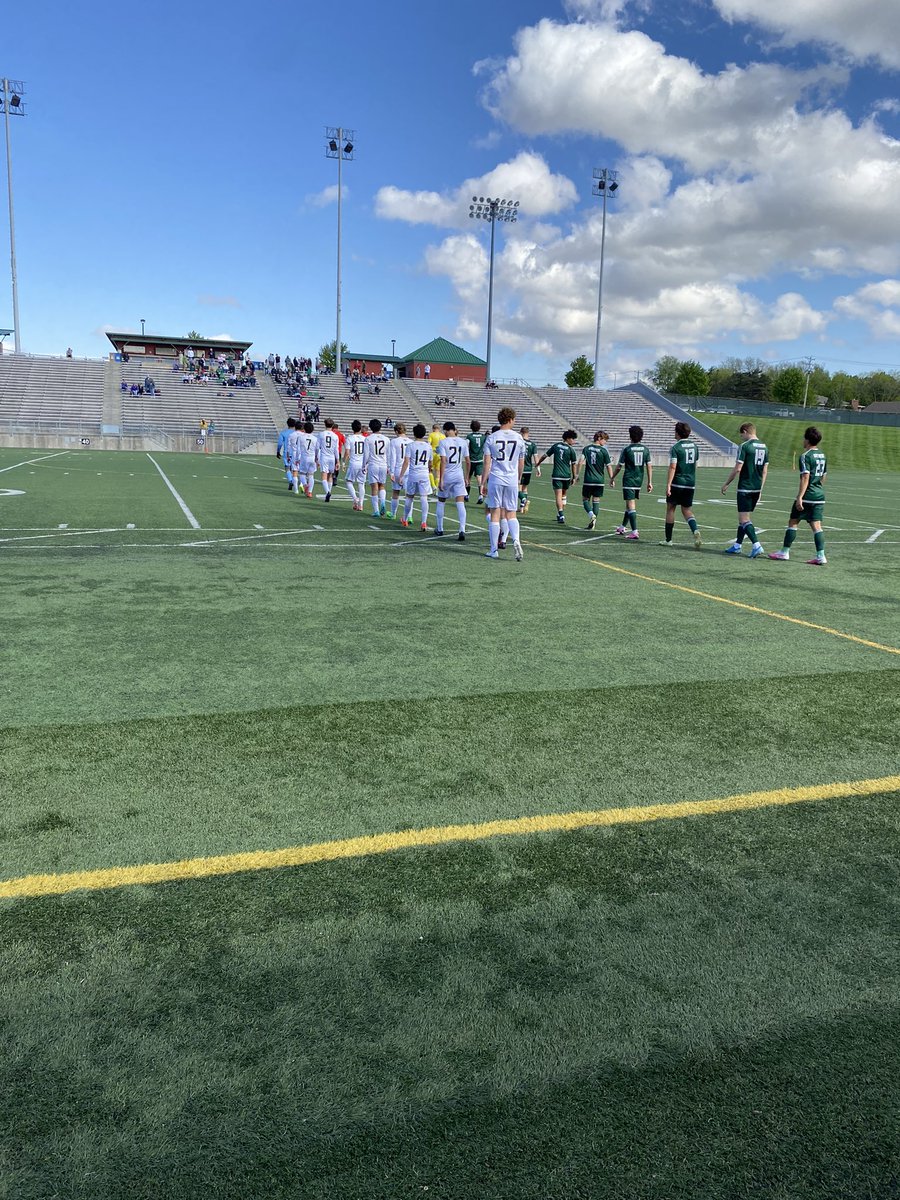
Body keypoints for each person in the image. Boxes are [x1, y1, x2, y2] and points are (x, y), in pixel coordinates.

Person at [769, 427, 828, 565]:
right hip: (819, 495)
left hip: (808, 495)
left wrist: (800, 496)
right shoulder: (822, 455)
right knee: (816, 526)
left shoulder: (805, 456)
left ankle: (784, 552)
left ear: (807, 440)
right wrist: (817, 486)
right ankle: (821, 555)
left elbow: (805, 477)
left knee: (793, 521)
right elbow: (824, 476)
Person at [482, 407, 525, 561]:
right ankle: (516, 541)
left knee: (495, 513)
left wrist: (483, 482)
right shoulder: (519, 438)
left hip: (496, 477)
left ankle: (494, 549)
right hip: (512, 478)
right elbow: (521, 462)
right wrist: (518, 478)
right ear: (511, 419)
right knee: (511, 513)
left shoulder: (491, 438)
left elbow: (487, 462)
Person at [721, 422, 768, 558]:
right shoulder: (765, 447)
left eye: (741, 434)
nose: (741, 437)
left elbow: (738, 468)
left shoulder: (745, 446)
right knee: (743, 518)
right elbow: (765, 471)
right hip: (756, 487)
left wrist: (727, 483)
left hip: (745, 486)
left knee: (744, 519)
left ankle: (756, 545)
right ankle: (737, 545)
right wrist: (760, 489)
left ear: (746, 431)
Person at [661, 421, 702, 548]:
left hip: (678, 482)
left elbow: (673, 467)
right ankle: (695, 530)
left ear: (678, 433)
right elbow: (695, 464)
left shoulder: (676, 448)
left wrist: (668, 484)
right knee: (687, 510)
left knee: (671, 509)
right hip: (690, 483)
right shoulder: (695, 446)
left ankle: (668, 540)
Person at [610, 425, 652, 539]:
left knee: (631, 505)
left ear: (630, 436)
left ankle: (634, 531)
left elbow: (619, 466)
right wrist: (650, 482)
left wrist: (612, 477)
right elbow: (649, 466)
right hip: (639, 480)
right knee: (629, 505)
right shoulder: (646, 449)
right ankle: (622, 526)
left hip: (629, 479)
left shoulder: (627, 449)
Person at [435, 420, 470, 542]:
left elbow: (443, 461)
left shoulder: (443, 442)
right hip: (459, 475)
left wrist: (441, 479)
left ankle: (440, 528)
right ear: (454, 429)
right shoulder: (463, 442)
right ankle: (462, 529)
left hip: (448, 474)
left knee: (441, 500)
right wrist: (467, 477)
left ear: (445, 431)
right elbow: (468, 461)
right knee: (460, 502)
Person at [536, 431, 579, 524]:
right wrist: (574, 476)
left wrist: (538, 463)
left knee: (558, 495)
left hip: (557, 475)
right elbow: (574, 464)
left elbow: (545, 455)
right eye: (573, 439)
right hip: (566, 475)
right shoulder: (571, 450)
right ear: (567, 438)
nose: (574, 441)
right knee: (564, 494)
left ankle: (561, 514)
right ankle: (561, 513)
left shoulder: (556, 446)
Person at [398, 424, 433, 530]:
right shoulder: (428, 446)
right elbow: (430, 463)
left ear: (414, 433)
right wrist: (429, 469)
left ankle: (405, 518)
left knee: (409, 497)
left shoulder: (411, 445)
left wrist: (401, 475)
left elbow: (406, 461)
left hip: (413, 474)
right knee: (424, 497)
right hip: (424, 474)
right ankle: (423, 522)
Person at [580, 430, 613, 531]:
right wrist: (611, 478)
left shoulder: (586, 449)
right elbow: (608, 466)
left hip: (588, 480)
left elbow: (580, 461)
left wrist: (576, 475)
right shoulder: (604, 451)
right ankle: (593, 522)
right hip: (599, 480)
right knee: (596, 500)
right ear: (599, 439)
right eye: (604, 440)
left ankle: (591, 515)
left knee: (585, 499)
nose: (605, 442)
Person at [363, 418, 390, 517]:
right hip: (383, 464)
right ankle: (383, 502)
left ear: (370, 428)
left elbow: (366, 454)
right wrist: (389, 466)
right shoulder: (386, 439)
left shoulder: (368, 439)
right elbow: (388, 454)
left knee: (374, 487)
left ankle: (376, 511)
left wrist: (364, 466)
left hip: (373, 464)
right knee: (382, 486)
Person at [388, 422, 411, 519]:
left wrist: (391, 471)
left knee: (396, 492)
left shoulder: (394, 441)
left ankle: (393, 514)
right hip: (409, 470)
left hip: (398, 469)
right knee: (409, 494)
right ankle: (409, 516)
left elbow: (392, 457)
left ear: (397, 431)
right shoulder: (411, 441)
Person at [344, 419, 367, 510]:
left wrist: (344, 462)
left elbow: (347, 452)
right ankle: (360, 504)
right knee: (361, 484)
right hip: (363, 463)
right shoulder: (365, 439)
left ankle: (355, 500)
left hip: (354, 463)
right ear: (360, 428)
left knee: (349, 481)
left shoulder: (350, 438)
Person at [317, 418, 340, 501]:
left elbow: (317, 447)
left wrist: (317, 458)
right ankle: (329, 491)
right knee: (330, 476)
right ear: (332, 425)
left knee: (324, 475)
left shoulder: (321, 434)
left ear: (325, 424)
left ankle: (327, 492)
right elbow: (336, 449)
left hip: (324, 456)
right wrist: (338, 461)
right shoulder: (335, 436)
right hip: (332, 457)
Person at [518, 427, 538, 513]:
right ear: (528, 433)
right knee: (525, 488)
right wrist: (538, 468)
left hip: (520, 468)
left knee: (518, 488)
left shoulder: (519, 442)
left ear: (521, 433)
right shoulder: (533, 444)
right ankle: (522, 508)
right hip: (529, 469)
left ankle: (523, 499)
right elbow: (536, 457)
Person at [466, 420, 487, 504]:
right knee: (479, 478)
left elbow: (466, 446)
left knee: (468, 477)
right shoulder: (483, 436)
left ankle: (467, 495)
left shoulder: (469, 436)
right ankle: (480, 495)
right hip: (479, 459)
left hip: (471, 460)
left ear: (471, 427)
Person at [297, 421, 319, 497]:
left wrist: (297, 459)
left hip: (304, 457)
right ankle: (310, 492)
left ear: (304, 429)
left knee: (302, 473)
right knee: (311, 475)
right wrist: (317, 460)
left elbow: (298, 449)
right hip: (312, 458)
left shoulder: (301, 437)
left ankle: (305, 485)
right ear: (312, 430)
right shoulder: (315, 439)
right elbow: (317, 450)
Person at [277, 417, 296, 490]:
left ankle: (290, 481)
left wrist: (278, 451)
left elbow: (279, 444)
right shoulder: (297, 433)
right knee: (295, 469)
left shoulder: (283, 433)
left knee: (287, 468)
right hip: (296, 453)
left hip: (287, 453)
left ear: (287, 424)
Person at [428, 423, 444, 492]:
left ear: (433, 429)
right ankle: (436, 489)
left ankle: (433, 486)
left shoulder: (431, 435)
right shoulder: (443, 436)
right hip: (440, 455)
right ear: (439, 429)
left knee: (430, 470)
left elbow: (429, 444)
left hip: (433, 453)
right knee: (438, 472)